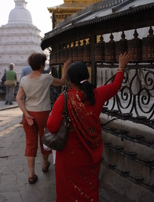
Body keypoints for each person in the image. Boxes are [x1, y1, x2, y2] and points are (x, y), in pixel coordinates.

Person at [46, 52, 132, 201]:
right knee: (89, 188)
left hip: (69, 156)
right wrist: (121, 67)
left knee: (68, 191)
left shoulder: (64, 99)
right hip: (90, 153)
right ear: (87, 77)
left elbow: (52, 127)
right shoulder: (97, 95)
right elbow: (115, 86)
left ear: (70, 81)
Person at [16, 52, 71, 185]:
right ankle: (45, 164)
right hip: (43, 113)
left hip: (28, 114)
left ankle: (31, 174)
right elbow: (63, 82)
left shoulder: (24, 80)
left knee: (30, 143)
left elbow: (18, 98)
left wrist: (26, 113)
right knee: (44, 140)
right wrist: (65, 68)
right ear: (41, 65)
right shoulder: (46, 78)